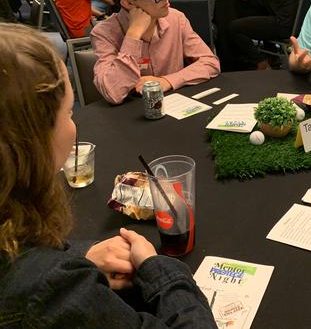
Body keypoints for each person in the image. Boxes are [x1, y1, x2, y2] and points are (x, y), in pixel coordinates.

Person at [0, 24, 218, 328]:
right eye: (68, 113)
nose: (74, 125)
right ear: (32, 141)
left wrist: (81, 255)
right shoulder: (50, 291)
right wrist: (161, 270)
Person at [91, 0, 220, 105]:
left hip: (176, 108)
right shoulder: (104, 33)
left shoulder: (176, 19)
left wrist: (166, 81)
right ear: (128, 3)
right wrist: (133, 35)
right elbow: (113, 92)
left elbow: (211, 63)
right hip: (129, 117)